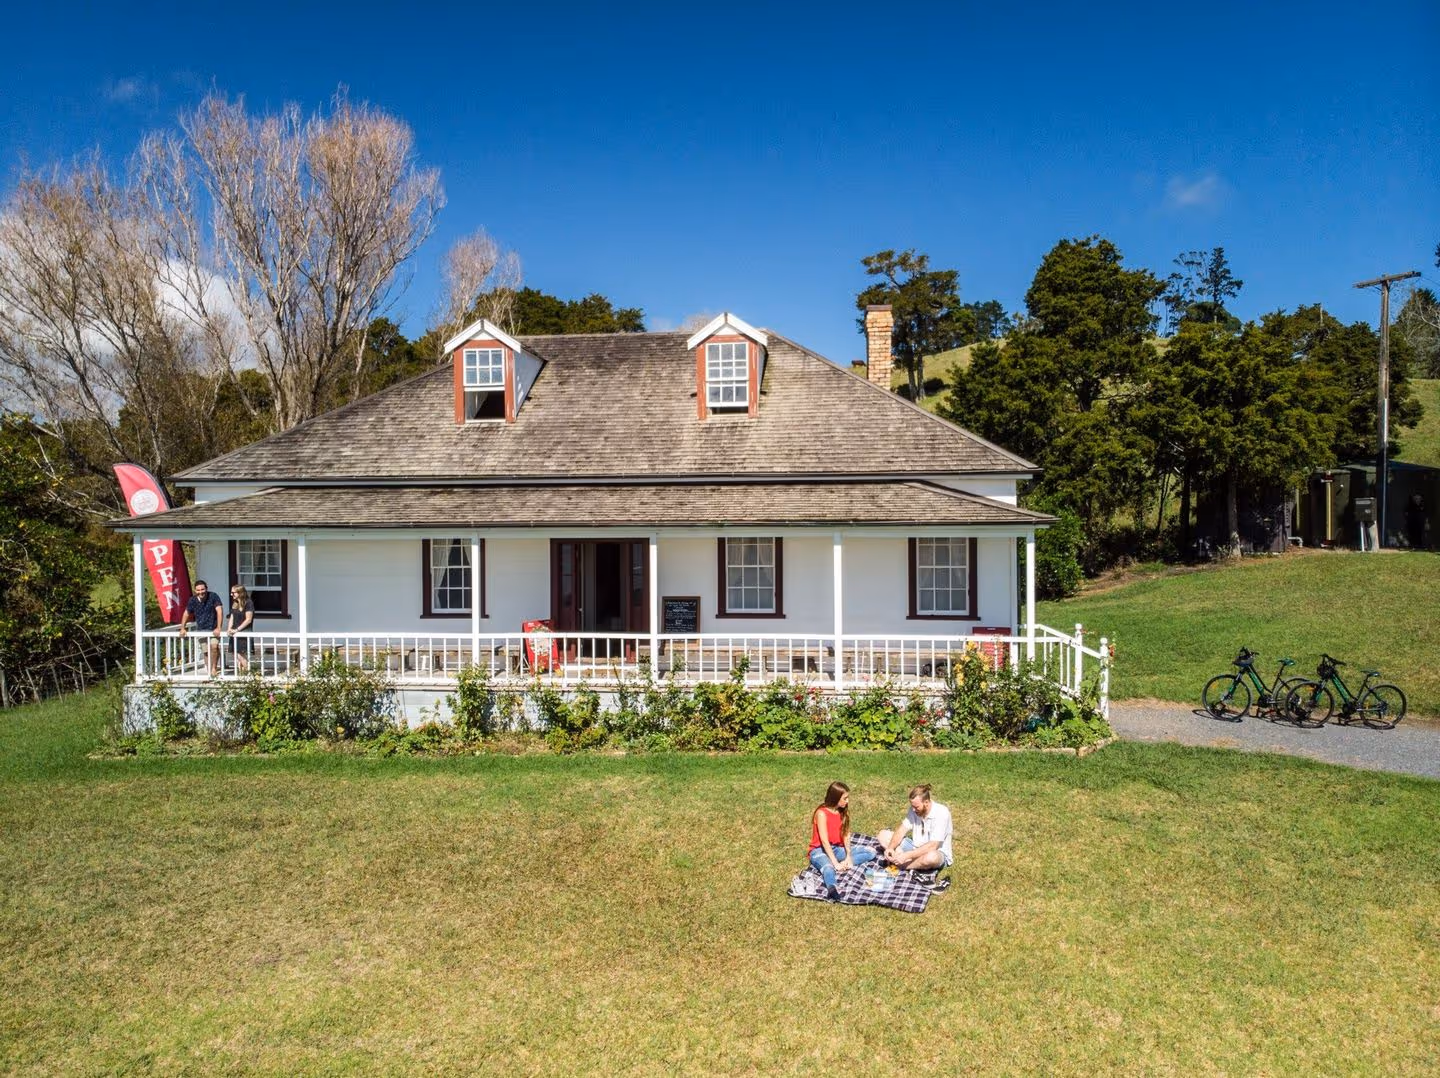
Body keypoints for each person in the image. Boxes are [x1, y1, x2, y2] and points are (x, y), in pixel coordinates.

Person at [808, 781, 876, 898]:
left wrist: (848, 857)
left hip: (836, 849)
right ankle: (832, 889)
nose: (847, 801)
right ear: (836, 798)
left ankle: (847, 864)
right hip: (819, 850)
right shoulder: (821, 813)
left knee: (871, 852)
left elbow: (846, 835)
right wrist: (835, 863)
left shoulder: (841, 812)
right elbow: (824, 841)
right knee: (828, 868)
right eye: (845, 798)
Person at [878, 784, 953, 874]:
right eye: (912, 806)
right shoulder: (914, 810)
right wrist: (890, 848)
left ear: (926, 802)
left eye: (916, 807)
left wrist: (907, 855)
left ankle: (903, 865)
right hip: (914, 848)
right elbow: (901, 830)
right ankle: (899, 859)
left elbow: (933, 846)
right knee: (883, 835)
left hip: (936, 852)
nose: (913, 810)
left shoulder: (941, 813)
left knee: (931, 857)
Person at [178, 579, 224, 676]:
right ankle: (209, 671)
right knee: (206, 652)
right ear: (195, 591)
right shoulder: (193, 600)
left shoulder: (213, 596)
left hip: (213, 628)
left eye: (202, 589)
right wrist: (183, 628)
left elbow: (219, 611)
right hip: (201, 629)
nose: (200, 592)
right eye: (198, 590)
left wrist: (219, 627)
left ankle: (214, 668)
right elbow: (186, 613)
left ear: (206, 589)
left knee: (214, 647)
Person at [226, 584, 256, 673]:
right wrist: (229, 628)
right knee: (236, 653)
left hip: (244, 632)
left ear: (240, 592)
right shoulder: (235, 603)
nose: (231, 594)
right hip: (234, 632)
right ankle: (241, 674)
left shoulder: (248, 603)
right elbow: (232, 617)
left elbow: (248, 620)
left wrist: (237, 629)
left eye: (233, 593)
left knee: (240, 654)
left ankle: (248, 673)